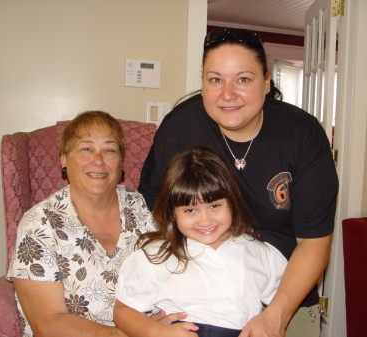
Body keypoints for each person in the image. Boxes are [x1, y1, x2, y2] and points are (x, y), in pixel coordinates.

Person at [138, 28, 339, 337]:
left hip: (284, 293)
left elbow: (313, 241)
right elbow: (155, 206)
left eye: (243, 79)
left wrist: (276, 316)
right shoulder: (180, 127)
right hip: (196, 296)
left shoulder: (303, 134)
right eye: (215, 79)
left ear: (267, 82)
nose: (227, 94)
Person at [7, 111, 183, 337]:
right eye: (86, 149)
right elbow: (48, 324)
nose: (98, 160)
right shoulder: (39, 224)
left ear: (121, 163)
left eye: (110, 150)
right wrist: (133, 333)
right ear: (64, 159)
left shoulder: (140, 207)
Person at [114, 146, 287, 337]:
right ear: (172, 212)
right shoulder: (156, 256)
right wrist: (157, 332)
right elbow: (123, 312)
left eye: (214, 206)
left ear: (232, 201)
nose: (205, 221)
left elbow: (283, 302)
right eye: (190, 210)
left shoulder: (260, 252)